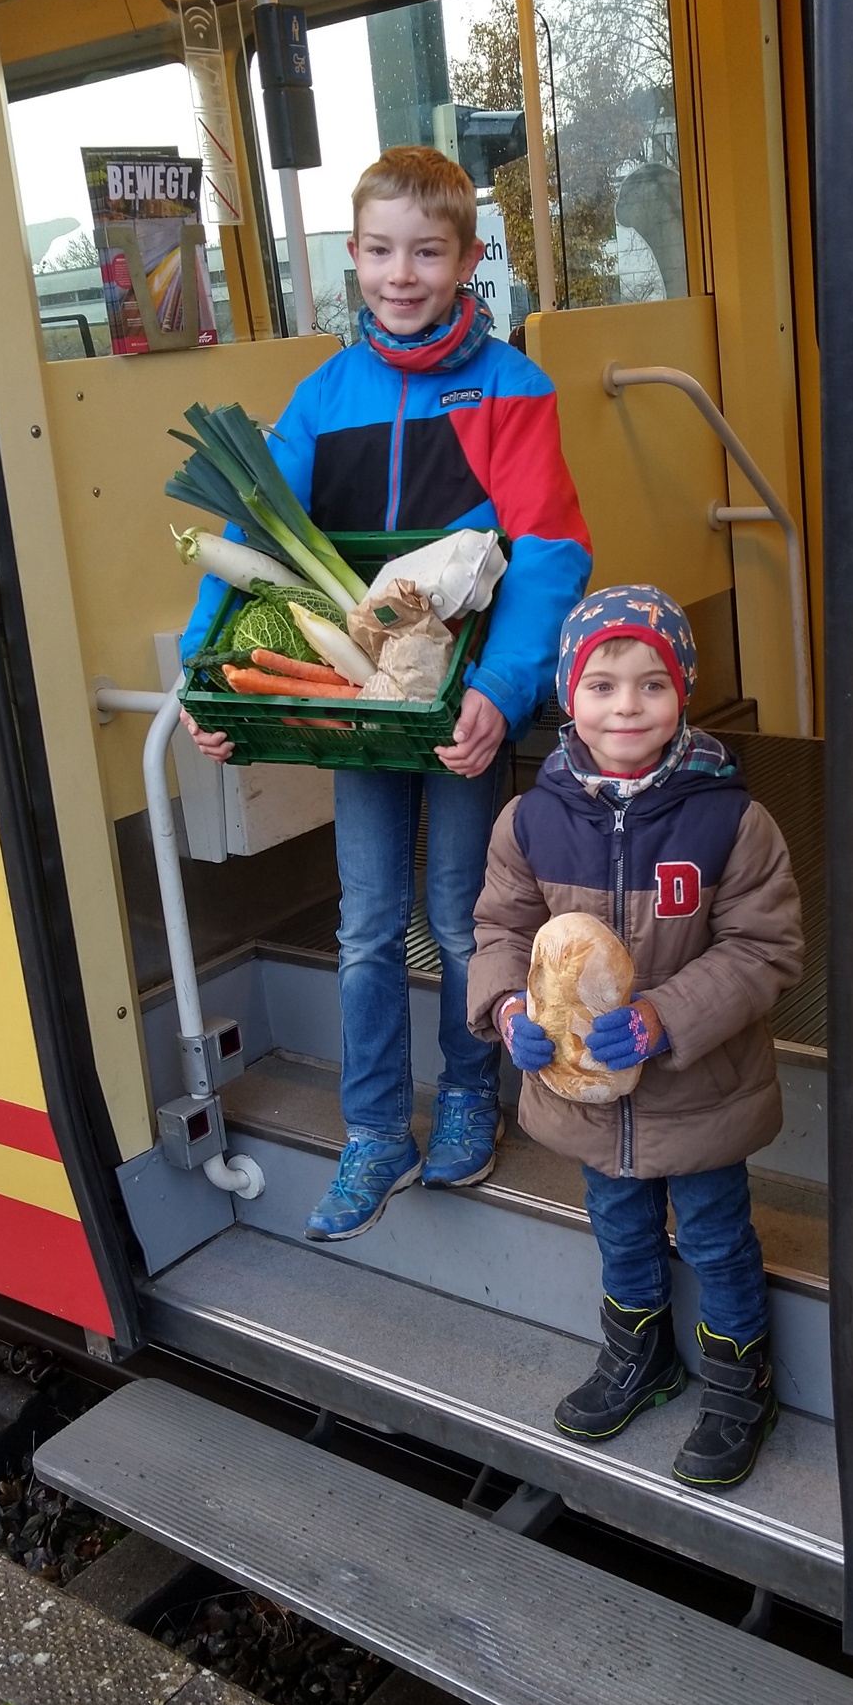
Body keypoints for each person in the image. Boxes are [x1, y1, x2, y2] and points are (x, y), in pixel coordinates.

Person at [183, 146, 592, 1238]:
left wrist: (504, 687)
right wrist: (206, 677)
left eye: (425, 250)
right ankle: (372, 1131)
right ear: (351, 257)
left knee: (464, 918)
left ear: (465, 258)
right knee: (367, 924)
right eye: (376, 250)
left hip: (459, 703)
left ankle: (469, 1096)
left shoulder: (513, 386)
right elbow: (250, 541)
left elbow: (548, 552)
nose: (399, 273)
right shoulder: (322, 397)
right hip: (364, 708)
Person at [467, 587, 804, 1488]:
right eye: (603, 684)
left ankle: (741, 1383)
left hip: (698, 1094)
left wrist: (664, 1017)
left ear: (683, 694)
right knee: (618, 1231)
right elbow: (499, 932)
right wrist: (509, 1012)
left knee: (716, 1235)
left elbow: (766, 948)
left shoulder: (732, 821)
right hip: (582, 1101)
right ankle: (640, 1357)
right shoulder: (530, 821)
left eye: (652, 685)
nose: (626, 706)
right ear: (567, 697)